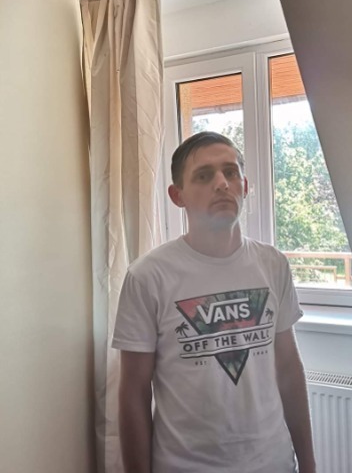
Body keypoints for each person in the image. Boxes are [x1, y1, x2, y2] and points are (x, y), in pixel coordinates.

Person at [112, 131, 317, 473]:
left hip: (273, 462)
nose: (222, 183)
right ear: (177, 195)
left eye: (231, 172)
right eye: (204, 176)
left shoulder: (273, 264)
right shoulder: (148, 276)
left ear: (244, 186)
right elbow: (133, 393)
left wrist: (308, 463)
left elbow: (289, 371)